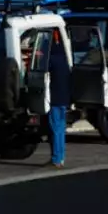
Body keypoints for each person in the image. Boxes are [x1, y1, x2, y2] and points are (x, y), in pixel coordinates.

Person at [47, 29, 72, 167]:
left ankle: (56, 159)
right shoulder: (65, 61)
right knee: (61, 129)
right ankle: (61, 157)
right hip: (64, 98)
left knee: (55, 128)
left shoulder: (51, 61)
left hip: (55, 99)